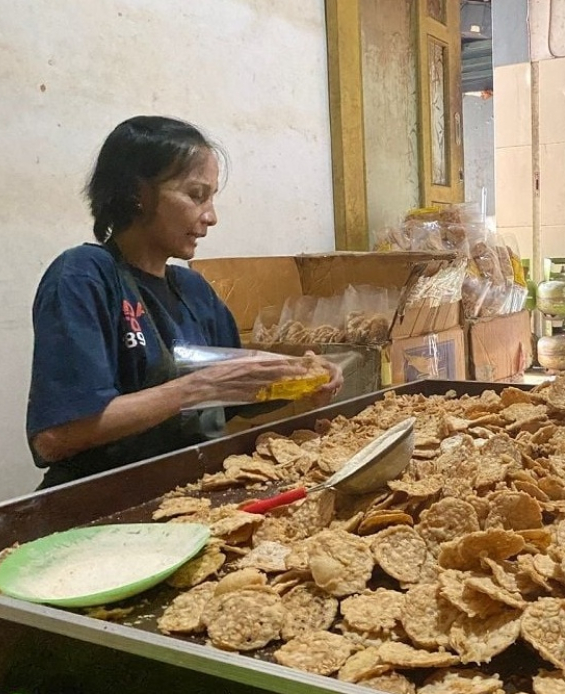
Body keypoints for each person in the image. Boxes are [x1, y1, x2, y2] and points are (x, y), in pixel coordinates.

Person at [26, 116, 344, 488]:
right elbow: (56, 437)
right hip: (102, 499)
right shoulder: (84, 276)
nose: (211, 217)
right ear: (137, 193)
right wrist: (197, 388)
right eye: (196, 195)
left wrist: (300, 378)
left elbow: (231, 394)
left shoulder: (193, 290)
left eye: (211, 198)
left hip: (191, 486)